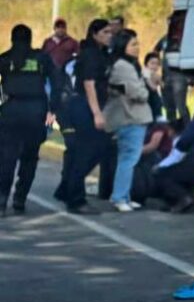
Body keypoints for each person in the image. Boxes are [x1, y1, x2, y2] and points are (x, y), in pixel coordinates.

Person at [0, 24, 62, 215]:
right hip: (37, 110)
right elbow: (57, 82)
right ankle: (20, 198)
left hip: (11, 110)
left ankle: (1, 201)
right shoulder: (42, 58)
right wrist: (53, 109)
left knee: (6, 158)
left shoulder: (4, 59)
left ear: (12, 39)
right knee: (30, 157)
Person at [56, 18, 113, 214]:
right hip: (84, 106)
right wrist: (97, 113)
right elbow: (89, 85)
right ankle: (76, 199)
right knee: (89, 150)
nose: (109, 36)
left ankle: (67, 189)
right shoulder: (90, 54)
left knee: (94, 149)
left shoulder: (101, 54)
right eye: (105, 32)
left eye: (110, 33)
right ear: (95, 33)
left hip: (90, 105)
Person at [103, 29, 153, 212]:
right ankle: (119, 197)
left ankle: (124, 195)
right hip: (130, 117)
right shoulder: (124, 66)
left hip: (128, 116)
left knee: (127, 158)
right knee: (128, 159)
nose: (137, 48)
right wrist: (145, 89)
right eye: (133, 44)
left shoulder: (125, 64)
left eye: (137, 44)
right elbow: (139, 93)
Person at [142, 52, 163, 121]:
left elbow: (162, 85)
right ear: (146, 64)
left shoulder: (155, 74)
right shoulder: (145, 72)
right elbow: (153, 87)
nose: (155, 66)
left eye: (157, 64)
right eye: (152, 63)